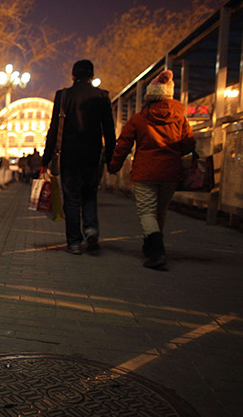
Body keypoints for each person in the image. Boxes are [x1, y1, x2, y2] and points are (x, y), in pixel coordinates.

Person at [108, 70, 195, 270]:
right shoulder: (180, 118)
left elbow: (123, 145)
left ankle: (156, 252)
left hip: (145, 172)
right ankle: (151, 246)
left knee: (147, 212)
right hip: (170, 172)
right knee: (160, 211)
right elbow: (189, 145)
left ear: (150, 95)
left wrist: (114, 166)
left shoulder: (138, 119)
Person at [42, 60, 116, 255]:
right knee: (90, 194)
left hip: (69, 156)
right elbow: (109, 130)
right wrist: (111, 158)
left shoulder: (63, 96)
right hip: (93, 156)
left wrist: (46, 158)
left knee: (72, 198)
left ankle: (74, 242)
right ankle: (91, 231)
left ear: (73, 75)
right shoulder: (102, 96)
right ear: (92, 76)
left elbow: (54, 129)